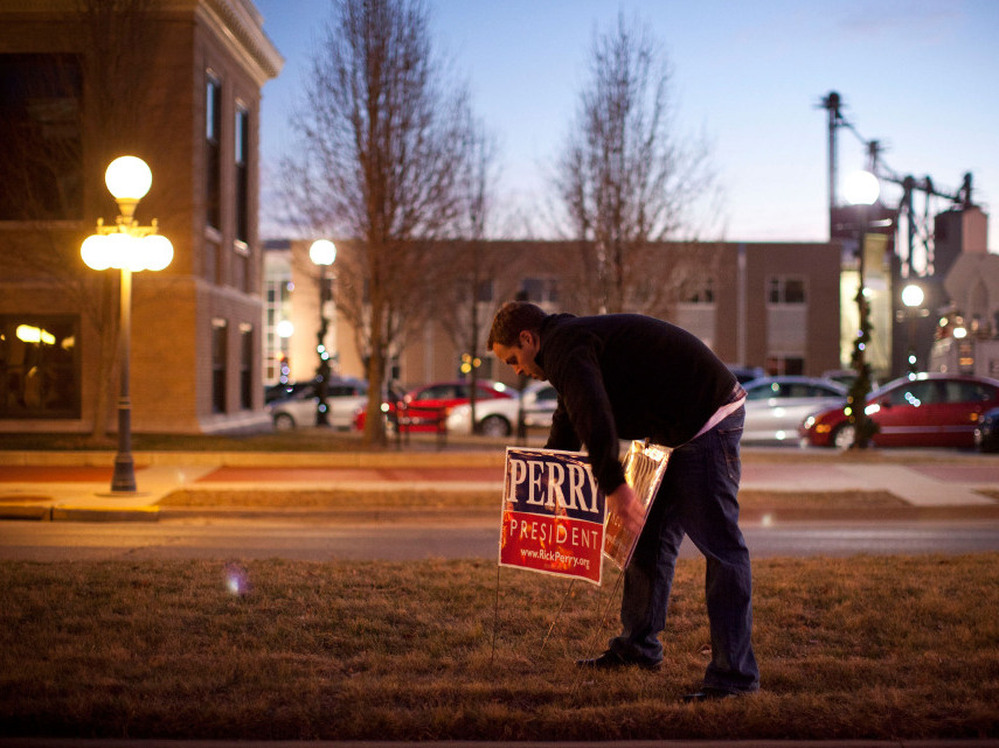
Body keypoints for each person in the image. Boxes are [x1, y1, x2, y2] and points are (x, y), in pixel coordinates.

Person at [487, 301, 759, 702]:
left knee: (722, 550)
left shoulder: (564, 347)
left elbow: (594, 415)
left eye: (513, 359)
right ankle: (638, 648)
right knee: (644, 539)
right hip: (672, 427)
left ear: (528, 339)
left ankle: (735, 677)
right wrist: (543, 478)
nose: (517, 370)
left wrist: (613, 485)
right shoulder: (568, 344)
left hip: (706, 419)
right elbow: (570, 414)